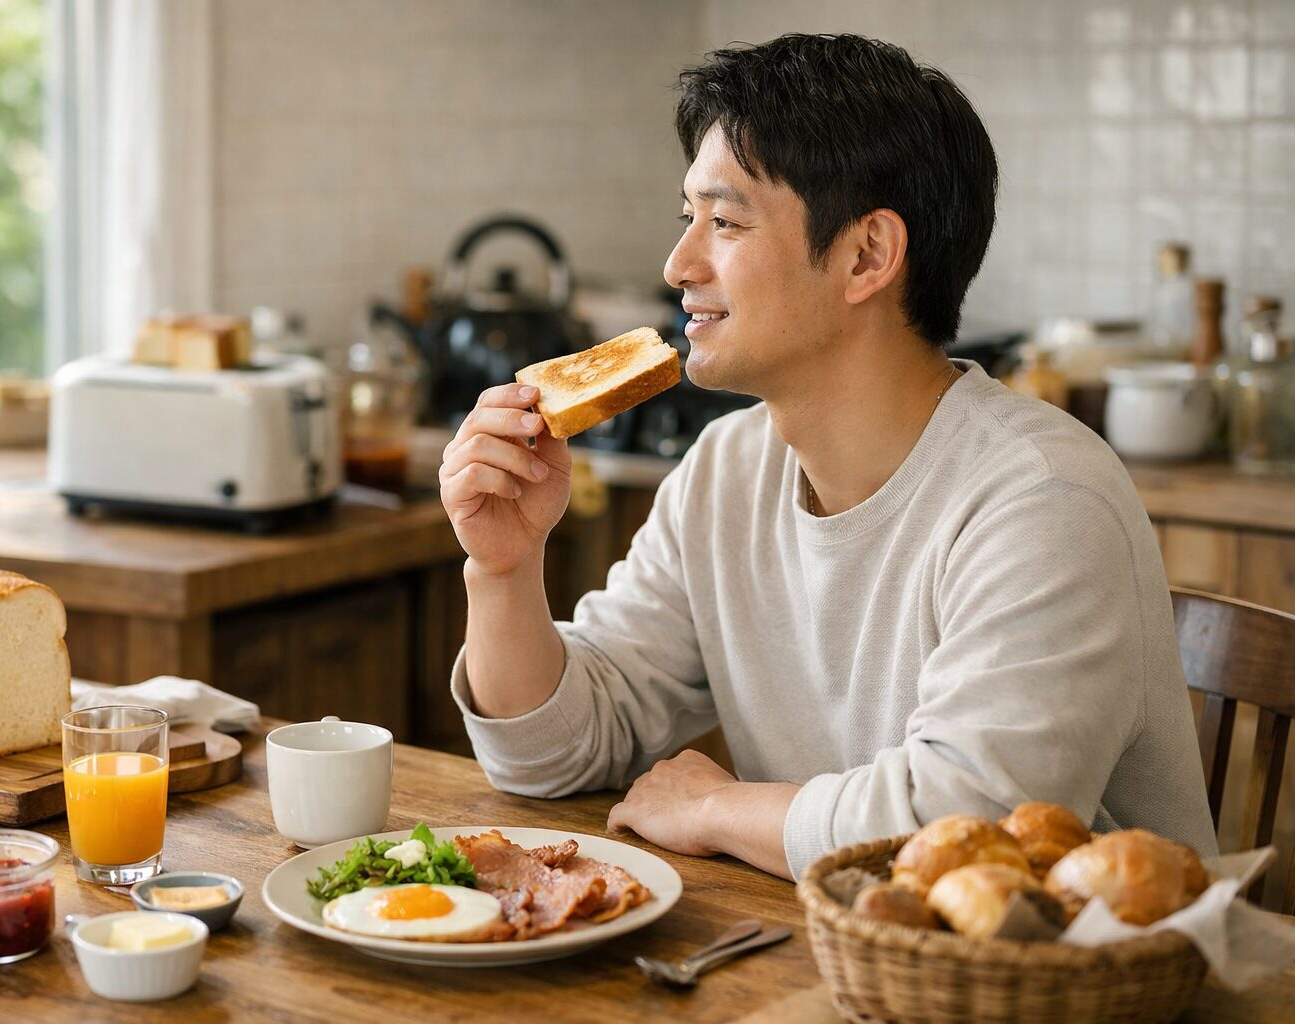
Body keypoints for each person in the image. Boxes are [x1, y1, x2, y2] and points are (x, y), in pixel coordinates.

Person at [436, 33, 1217, 881]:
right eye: (686, 218)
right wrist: (505, 571)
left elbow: (968, 826)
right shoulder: (725, 470)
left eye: (725, 222)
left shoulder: (1044, 498)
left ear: (867, 256)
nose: (678, 264)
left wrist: (715, 806)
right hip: (845, 962)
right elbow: (554, 757)